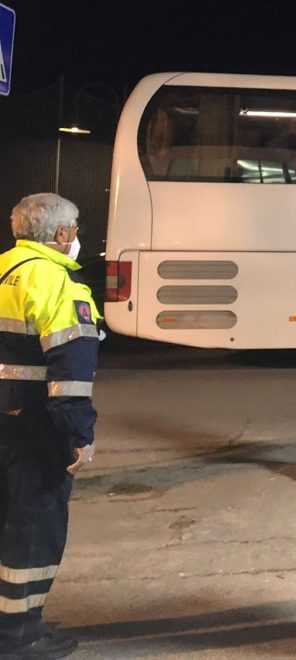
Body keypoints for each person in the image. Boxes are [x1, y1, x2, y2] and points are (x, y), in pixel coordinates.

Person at [0, 194, 101, 659]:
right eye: (75, 227)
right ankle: (21, 633)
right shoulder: (58, 283)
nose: (77, 235)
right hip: (33, 428)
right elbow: (71, 376)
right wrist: (79, 437)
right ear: (60, 235)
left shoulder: (4, 269)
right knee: (33, 526)